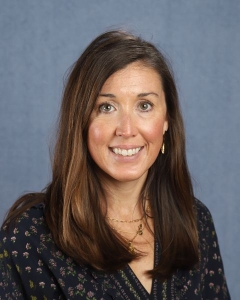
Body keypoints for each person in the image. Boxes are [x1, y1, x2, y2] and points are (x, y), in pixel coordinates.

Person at [0, 30, 230, 300]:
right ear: (81, 121)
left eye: (144, 105)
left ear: (166, 120)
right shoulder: (29, 236)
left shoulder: (195, 220)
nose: (127, 130)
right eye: (107, 107)